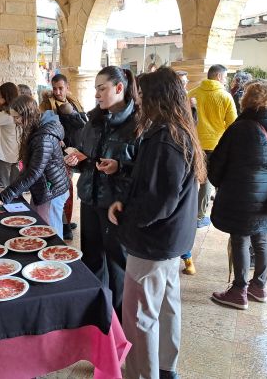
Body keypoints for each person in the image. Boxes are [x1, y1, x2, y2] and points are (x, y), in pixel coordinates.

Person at [108, 67, 206, 379]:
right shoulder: (178, 130)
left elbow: (158, 201)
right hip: (171, 239)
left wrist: (125, 221)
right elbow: (157, 181)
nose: (137, 105)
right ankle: (166, 367)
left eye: (140, 99)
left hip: (152, 241)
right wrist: (126, 176)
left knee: (140, 317)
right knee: (166, 306)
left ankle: (143, 374)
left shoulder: (164, 138)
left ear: (156, 100)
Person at [208, 80, 267, 310]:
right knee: (263, 238)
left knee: (240, 238)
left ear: (246, 100)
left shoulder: (239, 128)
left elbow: (218, 162)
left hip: (241, 195)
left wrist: (219, 183)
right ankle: (259, 286)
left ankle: (238, 291)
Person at [64, 66, 139, 320]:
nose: (97, 94)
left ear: (119, 88)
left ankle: (117, 326)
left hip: (116, 205)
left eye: (102, 88)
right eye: (96, 88)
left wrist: (120, 168)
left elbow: (143, 171)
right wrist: (80, 159)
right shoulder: (93, 121)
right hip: (90, 199)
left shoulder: (137, 124)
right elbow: (89, 156)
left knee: (117, 268)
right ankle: (97, 320)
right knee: (92, 261)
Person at [0, 96, 70, 238]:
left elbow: (34, 171)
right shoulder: (36, 128)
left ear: (27, 114)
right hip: (45, 188)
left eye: (17, 117)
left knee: (50, 234)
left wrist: (8, 193)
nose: (15, 121)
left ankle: (55, 259)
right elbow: (31, 168)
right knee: (41, 228)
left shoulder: (44, 137)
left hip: (51, 191)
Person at [188, 64, 237, 228]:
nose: (226, 80)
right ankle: (200, 216)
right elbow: (232, 125)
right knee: (207, 180)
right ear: (218, 76)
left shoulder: (192, 93)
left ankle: (187, 212)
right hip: (215, 144)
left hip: (194, 143)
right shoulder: (225, 97)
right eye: (225, 76)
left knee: (190, 177)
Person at [40, 74, 88, 240]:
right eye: (55, 88)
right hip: (59, 153)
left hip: (74, 150)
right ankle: (64, 224)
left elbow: (83, 123)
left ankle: (66, 222)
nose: (58, 92)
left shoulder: (73, 102)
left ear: (67, 87)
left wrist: (67, 107)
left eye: (61, 88)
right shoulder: (48, 105)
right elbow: (46, 125)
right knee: (61, 188)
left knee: (68, 189)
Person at [176, 69, 197, 275]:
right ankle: (186, 256)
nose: (184, 84)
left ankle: (187, 257)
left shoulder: (188, 104)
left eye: (185, 81)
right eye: (181, 81)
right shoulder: (183, 105)